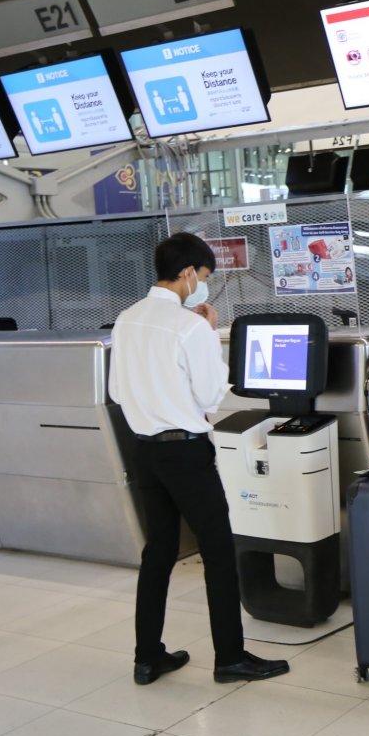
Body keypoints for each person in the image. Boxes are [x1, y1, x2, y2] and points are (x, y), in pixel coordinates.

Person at [109, 232, 289, 686]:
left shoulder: (126, 320)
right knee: (218, 552)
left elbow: (115, 392)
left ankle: (147, 657)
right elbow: (212, 394)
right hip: (185, 450)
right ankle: (230, 658)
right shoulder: (191, 327)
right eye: (204, 277)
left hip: (144, 449)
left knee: (159, 552)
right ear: (188, 273)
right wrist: (207, 333)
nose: (203, 287)